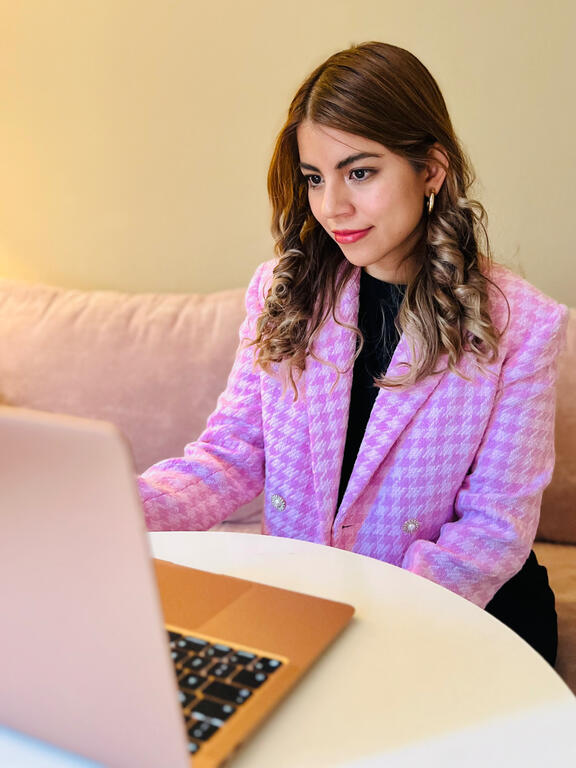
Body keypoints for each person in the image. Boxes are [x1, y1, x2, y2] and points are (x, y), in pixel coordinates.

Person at [139, 42, 567, 664]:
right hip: (316, 604)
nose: (331, 206)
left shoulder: (524, 324)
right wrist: (117, 509)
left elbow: (492, 531)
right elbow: (232, 454)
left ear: (431, 170)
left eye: (359, 172)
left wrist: (364, 625)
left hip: (466, 613)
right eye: (315, 177)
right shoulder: (285, 291)